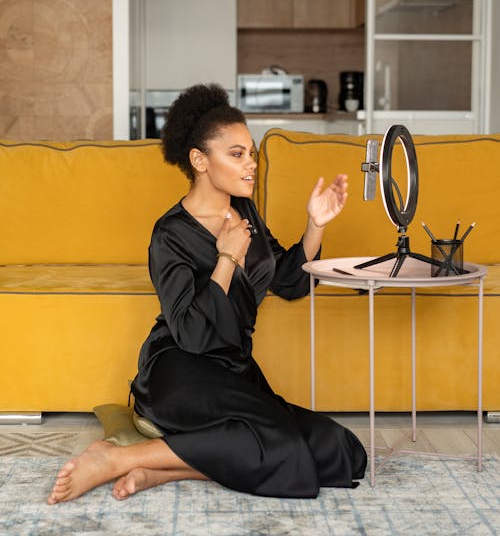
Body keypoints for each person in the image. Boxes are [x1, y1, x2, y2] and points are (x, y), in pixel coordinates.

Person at [48, 84, 366, 505]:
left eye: (251, 153)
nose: (251, 165)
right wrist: (226, 259)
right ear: (199, 160)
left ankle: (159, 472)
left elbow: (290, 282)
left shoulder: (246, 212)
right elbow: (192, 334)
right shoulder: (170, 234)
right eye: (237, 154)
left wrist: (317, 224)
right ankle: (116, 458)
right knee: (282, 446)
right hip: (180, 368)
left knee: (343, 452)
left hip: (233, 369)